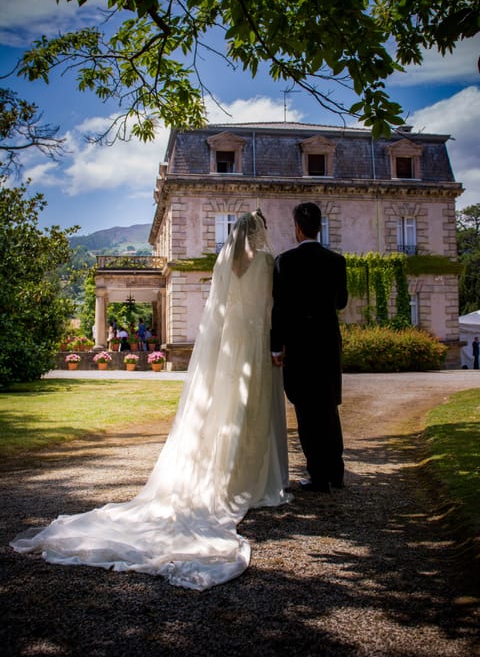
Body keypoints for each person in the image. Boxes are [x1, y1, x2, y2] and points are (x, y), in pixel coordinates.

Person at [11, 210, 291, 591]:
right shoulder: (268, 262)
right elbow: (272, 307)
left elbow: (219, 312)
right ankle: (253, 478)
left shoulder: (225, 260)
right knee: (250, 408)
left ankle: (229, 474)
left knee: (225, 408)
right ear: (259, 234)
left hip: (229, 347)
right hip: (256, 345)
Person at [271, 202, 348, 494]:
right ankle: (336, 473)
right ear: (319, 227)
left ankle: (318, 476)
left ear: (298, 228)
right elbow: (341, 302)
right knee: (328, 408)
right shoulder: (336, 261)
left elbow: (278, 309)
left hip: (299, 347)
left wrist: (276, 346)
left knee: (306, 412)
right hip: (327, 344)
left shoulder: (284, 262)